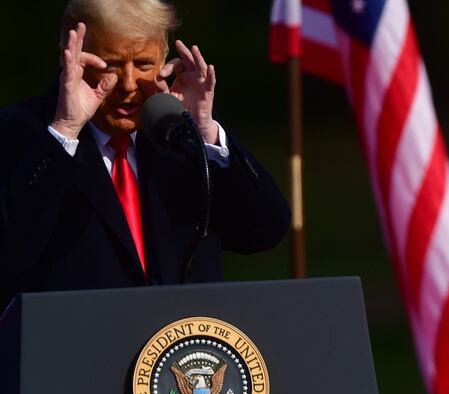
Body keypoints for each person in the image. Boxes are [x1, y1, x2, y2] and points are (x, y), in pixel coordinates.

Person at [0, 0, 290, 308]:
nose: (128, 84)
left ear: (164, 57)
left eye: (143, 65)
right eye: (109, 64)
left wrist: (206, 131)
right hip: (73, 347)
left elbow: (265, 231)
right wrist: (65, 131)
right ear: (72, 58)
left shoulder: (183, 136)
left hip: (181, 347)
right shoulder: (22, 133)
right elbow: (9, 251)